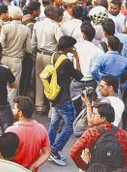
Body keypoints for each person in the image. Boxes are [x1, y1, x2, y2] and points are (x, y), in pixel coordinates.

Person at [47, 36, 84, 166]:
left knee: (54, 122)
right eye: (72, 46)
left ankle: (48, 147)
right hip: (64, 97)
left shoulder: (54, 55)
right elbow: (79, 76)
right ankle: (55, 150)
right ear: (68, 47)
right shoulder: (66, 61)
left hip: (55, 95)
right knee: (69, 126)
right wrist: (77, 59)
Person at [71, 102, 127, 171]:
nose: (92, 116)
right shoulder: (122, 134)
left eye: (94, 114)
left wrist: (85, 167)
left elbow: (74, 152)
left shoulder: (91, 133)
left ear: (103, 118)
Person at [5, 96, 51, 171]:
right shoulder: (41, 129)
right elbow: (47, 153)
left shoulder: (11, 131)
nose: (12, 110)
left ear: (20, 113)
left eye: (14, 108)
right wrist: (33, 166)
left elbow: (4, 155)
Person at [0, 6, 32, 104]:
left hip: (4, 58)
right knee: (13, 87)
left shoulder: (5, 27)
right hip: (16, 60)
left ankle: (1, 104)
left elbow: (0, 43)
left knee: (2, 84)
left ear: (11, 16)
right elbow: (29, 49)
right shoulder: (26, 29)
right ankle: (10, 107)